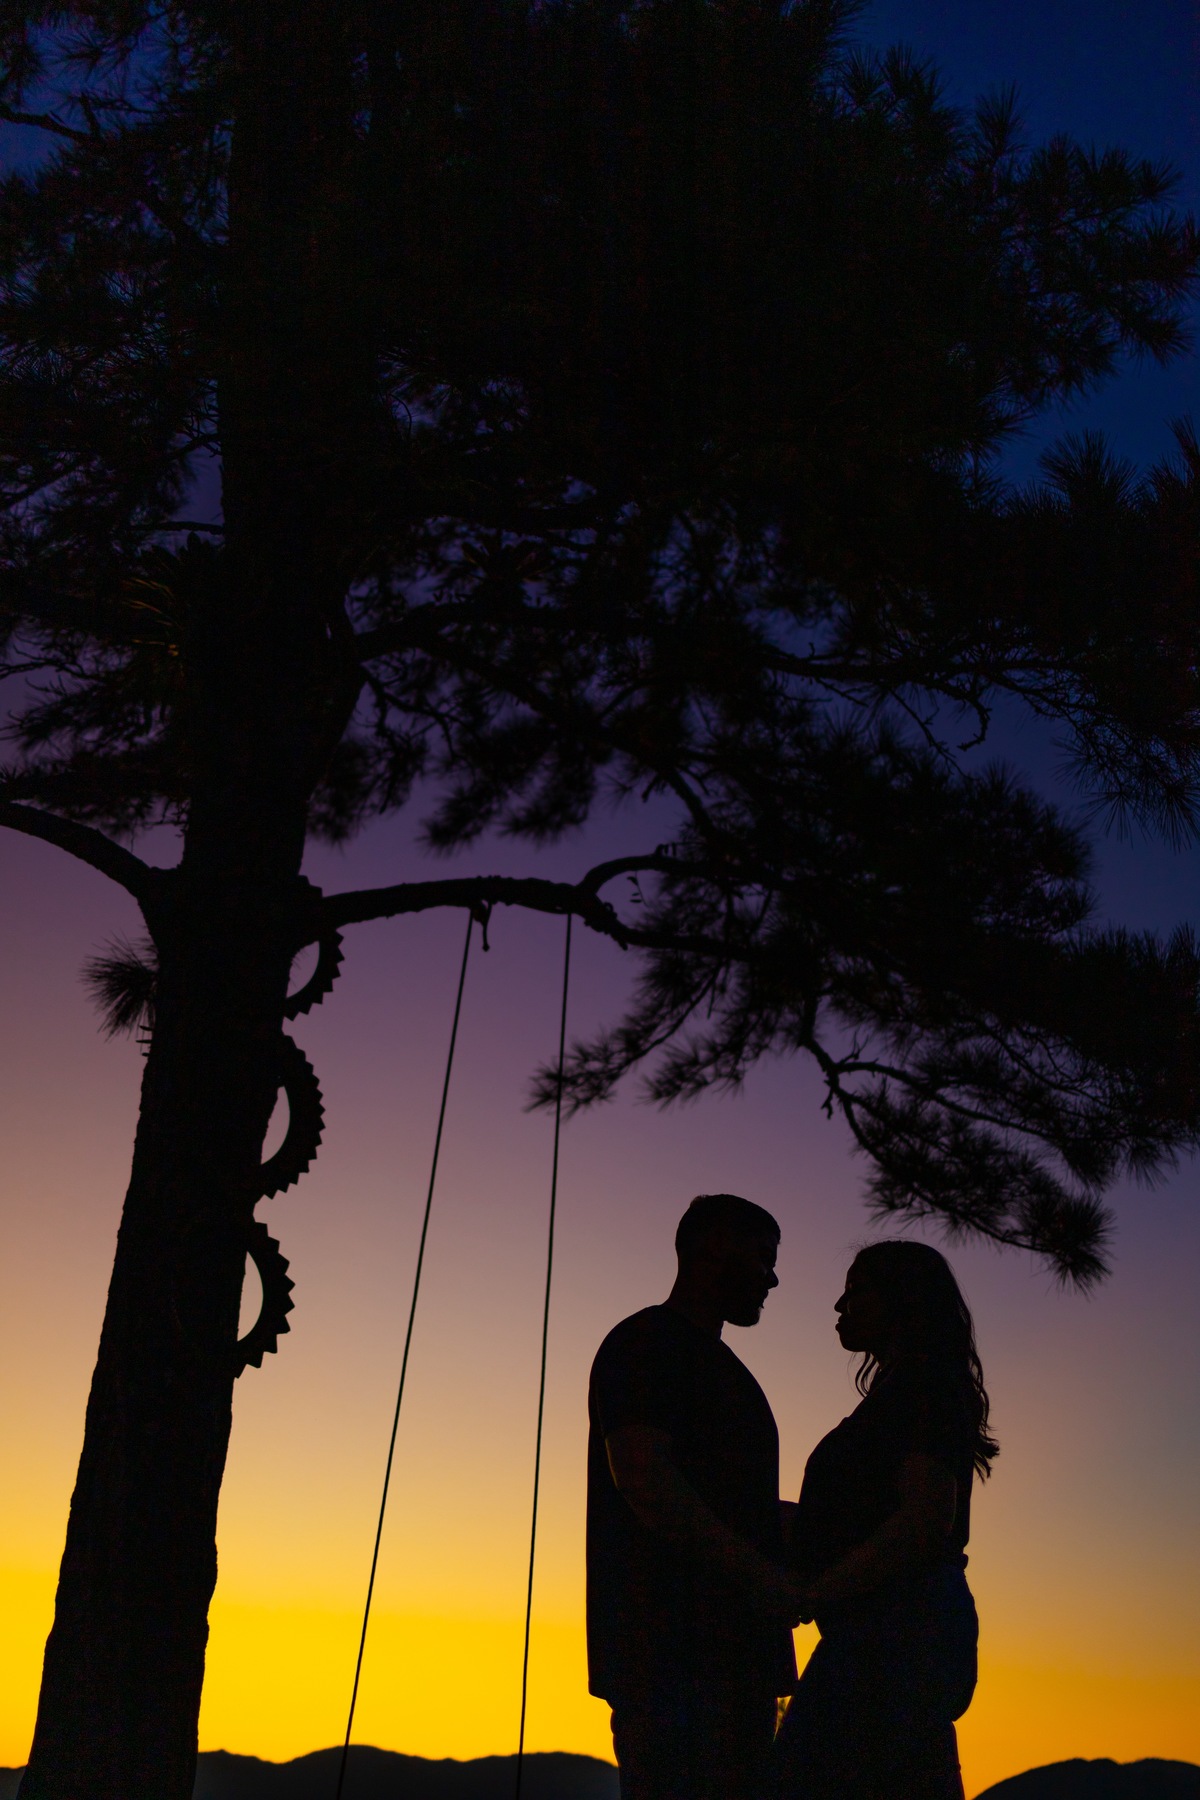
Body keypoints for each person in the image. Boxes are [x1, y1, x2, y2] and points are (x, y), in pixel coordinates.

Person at [586, 1193, 801, 1800]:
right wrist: (761, 1572)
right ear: (713, 1248)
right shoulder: (645, 1342)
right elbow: (644, 1477)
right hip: (672, 1660)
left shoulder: (727, 1371)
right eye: (763, 1258)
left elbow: (736, 1509)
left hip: (736, 1663)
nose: (774, 1277)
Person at [775, 1239, 997, 1800]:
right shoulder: (906, 1390)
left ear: (900, 1300)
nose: (838, 1306)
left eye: (855, 1291)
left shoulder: (921, 1388)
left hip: (896, 1634)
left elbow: (925, 1520)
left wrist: (819, 1590)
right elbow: (868, 1518)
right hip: (890, 1631)